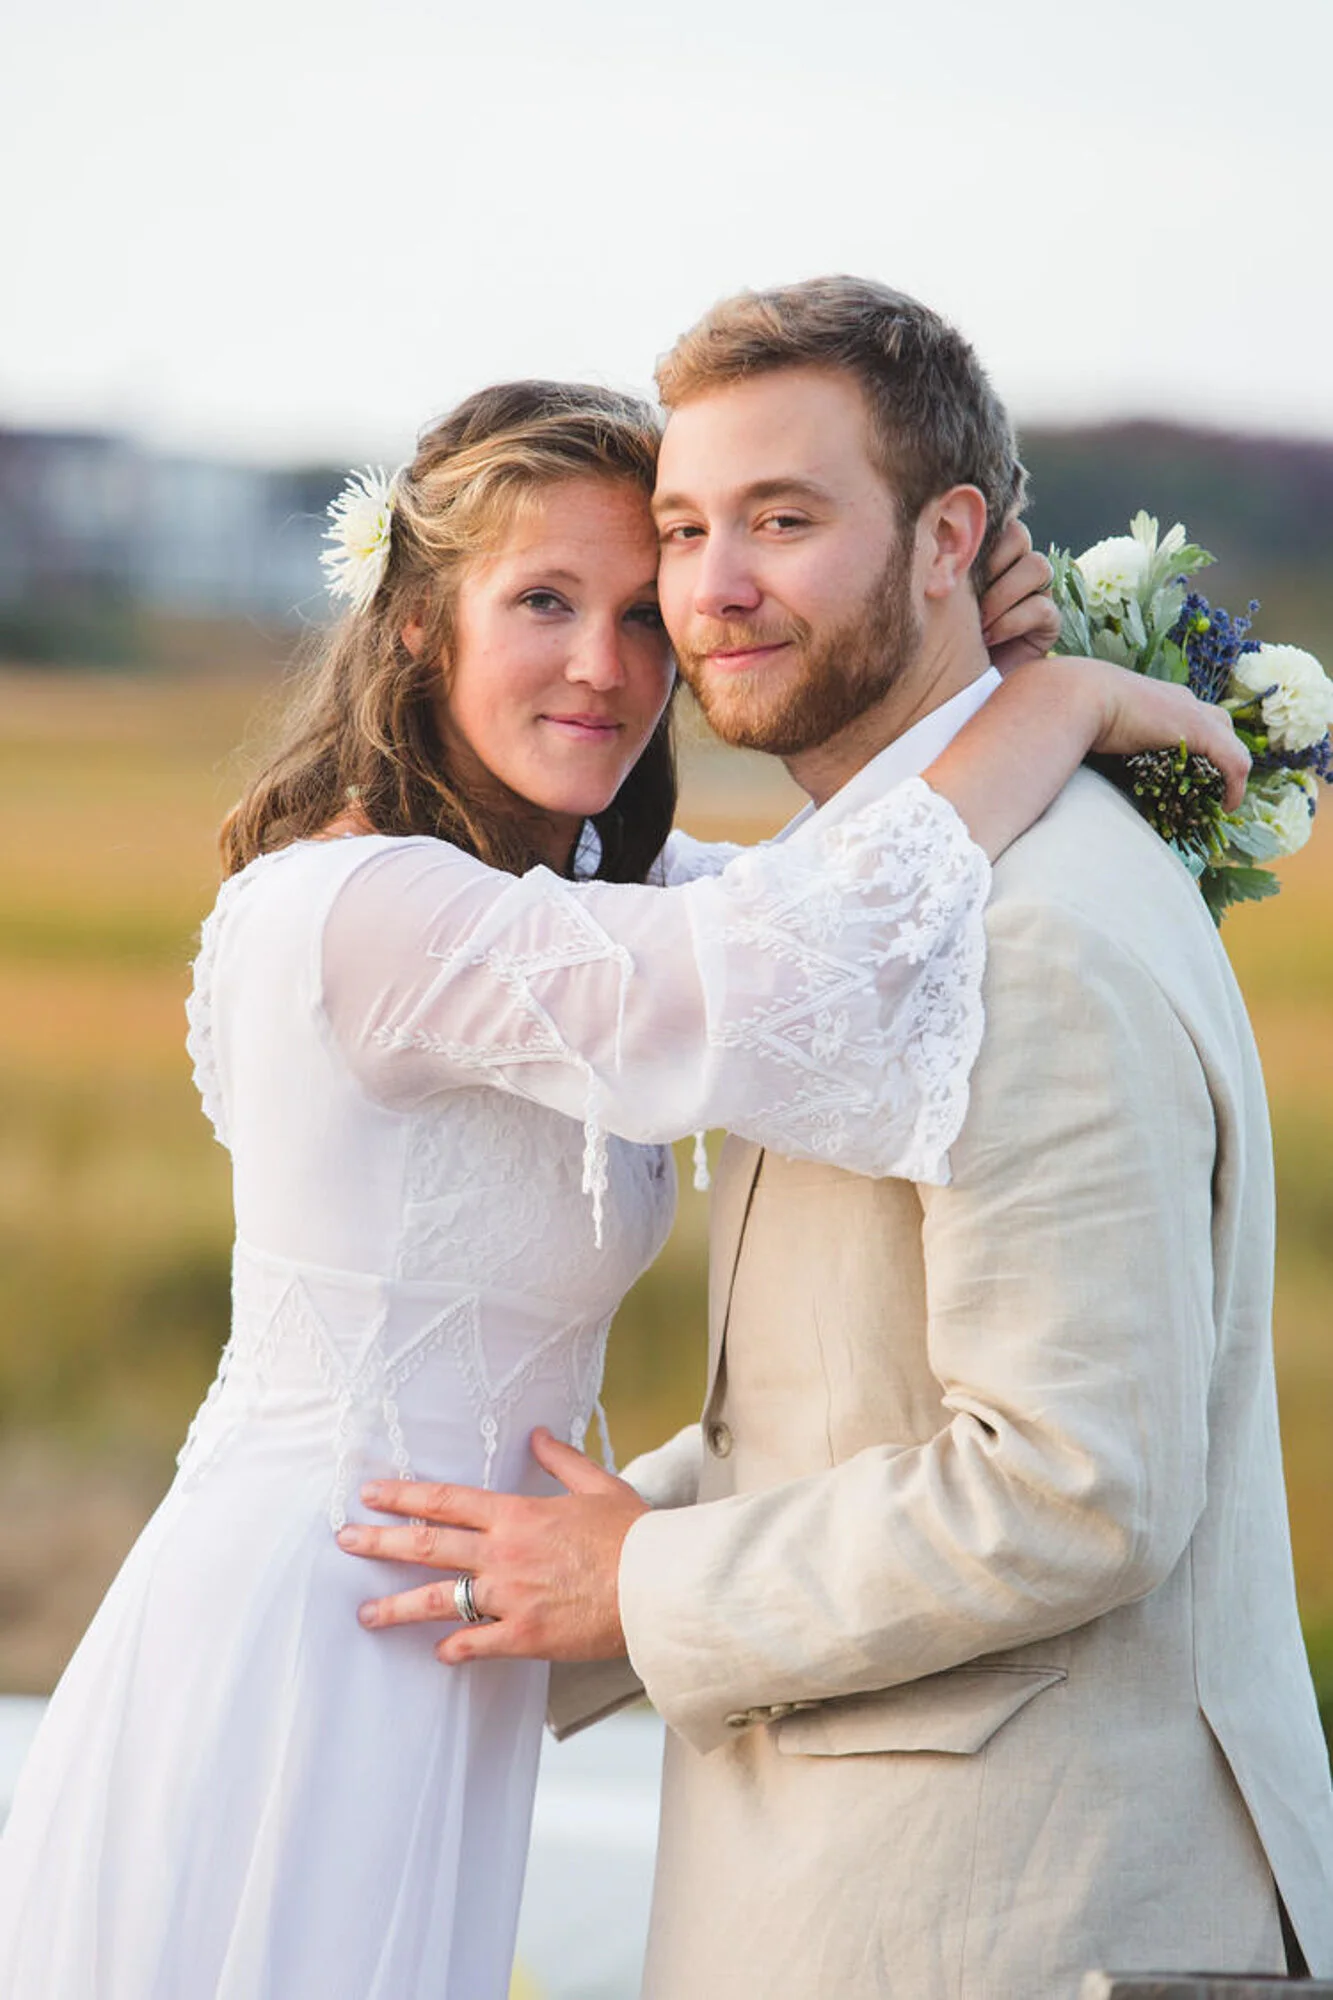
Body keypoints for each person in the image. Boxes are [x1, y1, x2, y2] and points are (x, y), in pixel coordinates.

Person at [0, 376, 1244, 2000]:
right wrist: (1062, 707)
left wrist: (981, 667)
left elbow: (870, 883)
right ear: (418, 630)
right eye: (542, 603)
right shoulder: (359, 908)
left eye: (641, 614)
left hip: (460, 1630)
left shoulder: (592, 894)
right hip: (304, 1628)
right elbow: (798, 962)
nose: (608, 666)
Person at [346, 285, 1333, 1998]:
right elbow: (839, 1413)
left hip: (1017, 1923)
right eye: (685, 527)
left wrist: (643, 1582)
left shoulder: (1033, 935)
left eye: (785, 522)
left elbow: (1070, 1486)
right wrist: (517, 1582)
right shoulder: (862, 909)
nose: (711, 587)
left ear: (953, 538)